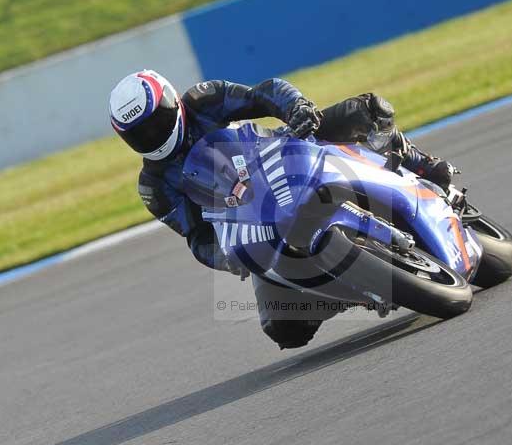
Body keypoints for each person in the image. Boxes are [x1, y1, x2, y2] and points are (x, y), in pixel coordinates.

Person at [109, 70, 456, 349]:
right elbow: (196, 236)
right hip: (255, 225)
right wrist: (226, 257)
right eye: (141, 135)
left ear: (172, 102)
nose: (153, 136)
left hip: (286, 159)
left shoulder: (205, 99)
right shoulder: (154, 186)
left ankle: (420, 163)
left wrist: (296, 108)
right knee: (285, 330)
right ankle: (356, 287)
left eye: (156, 122)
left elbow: (263, 93)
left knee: (366, 111)